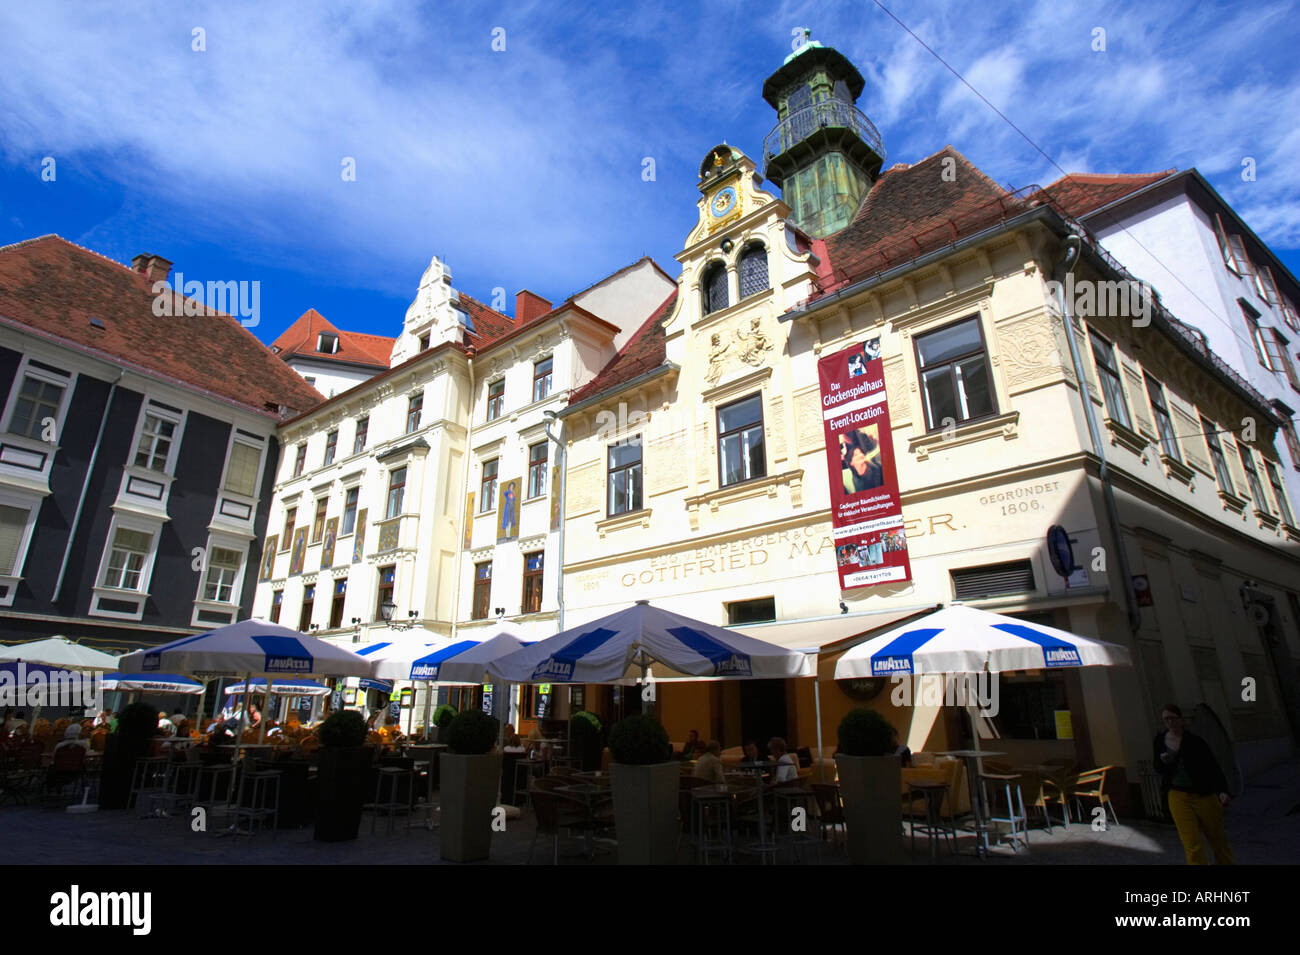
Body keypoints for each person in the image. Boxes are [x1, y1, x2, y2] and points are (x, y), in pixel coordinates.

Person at [1154, 703, 1234, 865]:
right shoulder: (1160, 741)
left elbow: (1212, 766)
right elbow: (1157, 766)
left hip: (1203, 794)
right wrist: (1164, 763)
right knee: (1191, 845)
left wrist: (1222, 791)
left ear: (1181, 720)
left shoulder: (1195, 741)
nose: (1169, 722)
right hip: (1177, 796)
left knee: (1218, 839)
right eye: (1165, 719)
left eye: (1172, 718)